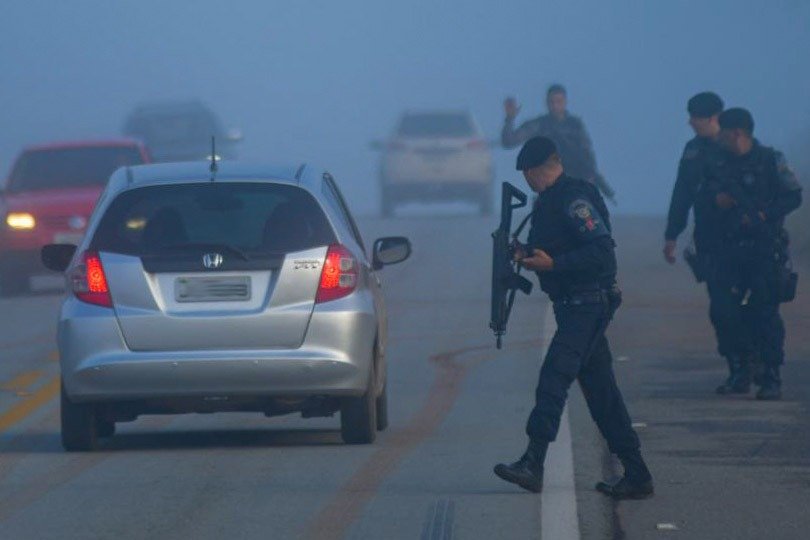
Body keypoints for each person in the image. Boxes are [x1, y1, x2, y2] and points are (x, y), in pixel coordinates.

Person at [493, 136, 653, 499]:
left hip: (587, 305)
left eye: (527, 175)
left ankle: (533, 462)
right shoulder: (550, 202)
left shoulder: (573, 199)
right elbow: (557, 249)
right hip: (572, 306)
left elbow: (602, 254)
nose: (527, 183)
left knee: (555, 376)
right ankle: (638, 473)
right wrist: (526, 255)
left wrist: (555, 264)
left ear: (536, 169)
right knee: (602, 394)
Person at [696, 108, 802, 400]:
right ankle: (739, 370)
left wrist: (765, 214)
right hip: (727, 250)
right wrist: (717, 202)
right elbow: (701, 201)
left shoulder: (770, 160)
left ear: (738, 133)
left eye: (726, 133)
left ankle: (770, 376)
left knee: (765, 313)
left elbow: (794, 195)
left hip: (763, 249)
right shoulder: (716, 164)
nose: (721, 138)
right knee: (724, 312)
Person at [501, 84, 616, 203]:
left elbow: (587, 153)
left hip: (577, 182)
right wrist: (510, 119)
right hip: (551, 183)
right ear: (547, 103)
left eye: (559, 101)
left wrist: (591, 176)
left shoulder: (575, 126)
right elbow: (509, 141)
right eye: (552, 102)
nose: (555, 106)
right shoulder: (539, 126)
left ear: (565, 102)